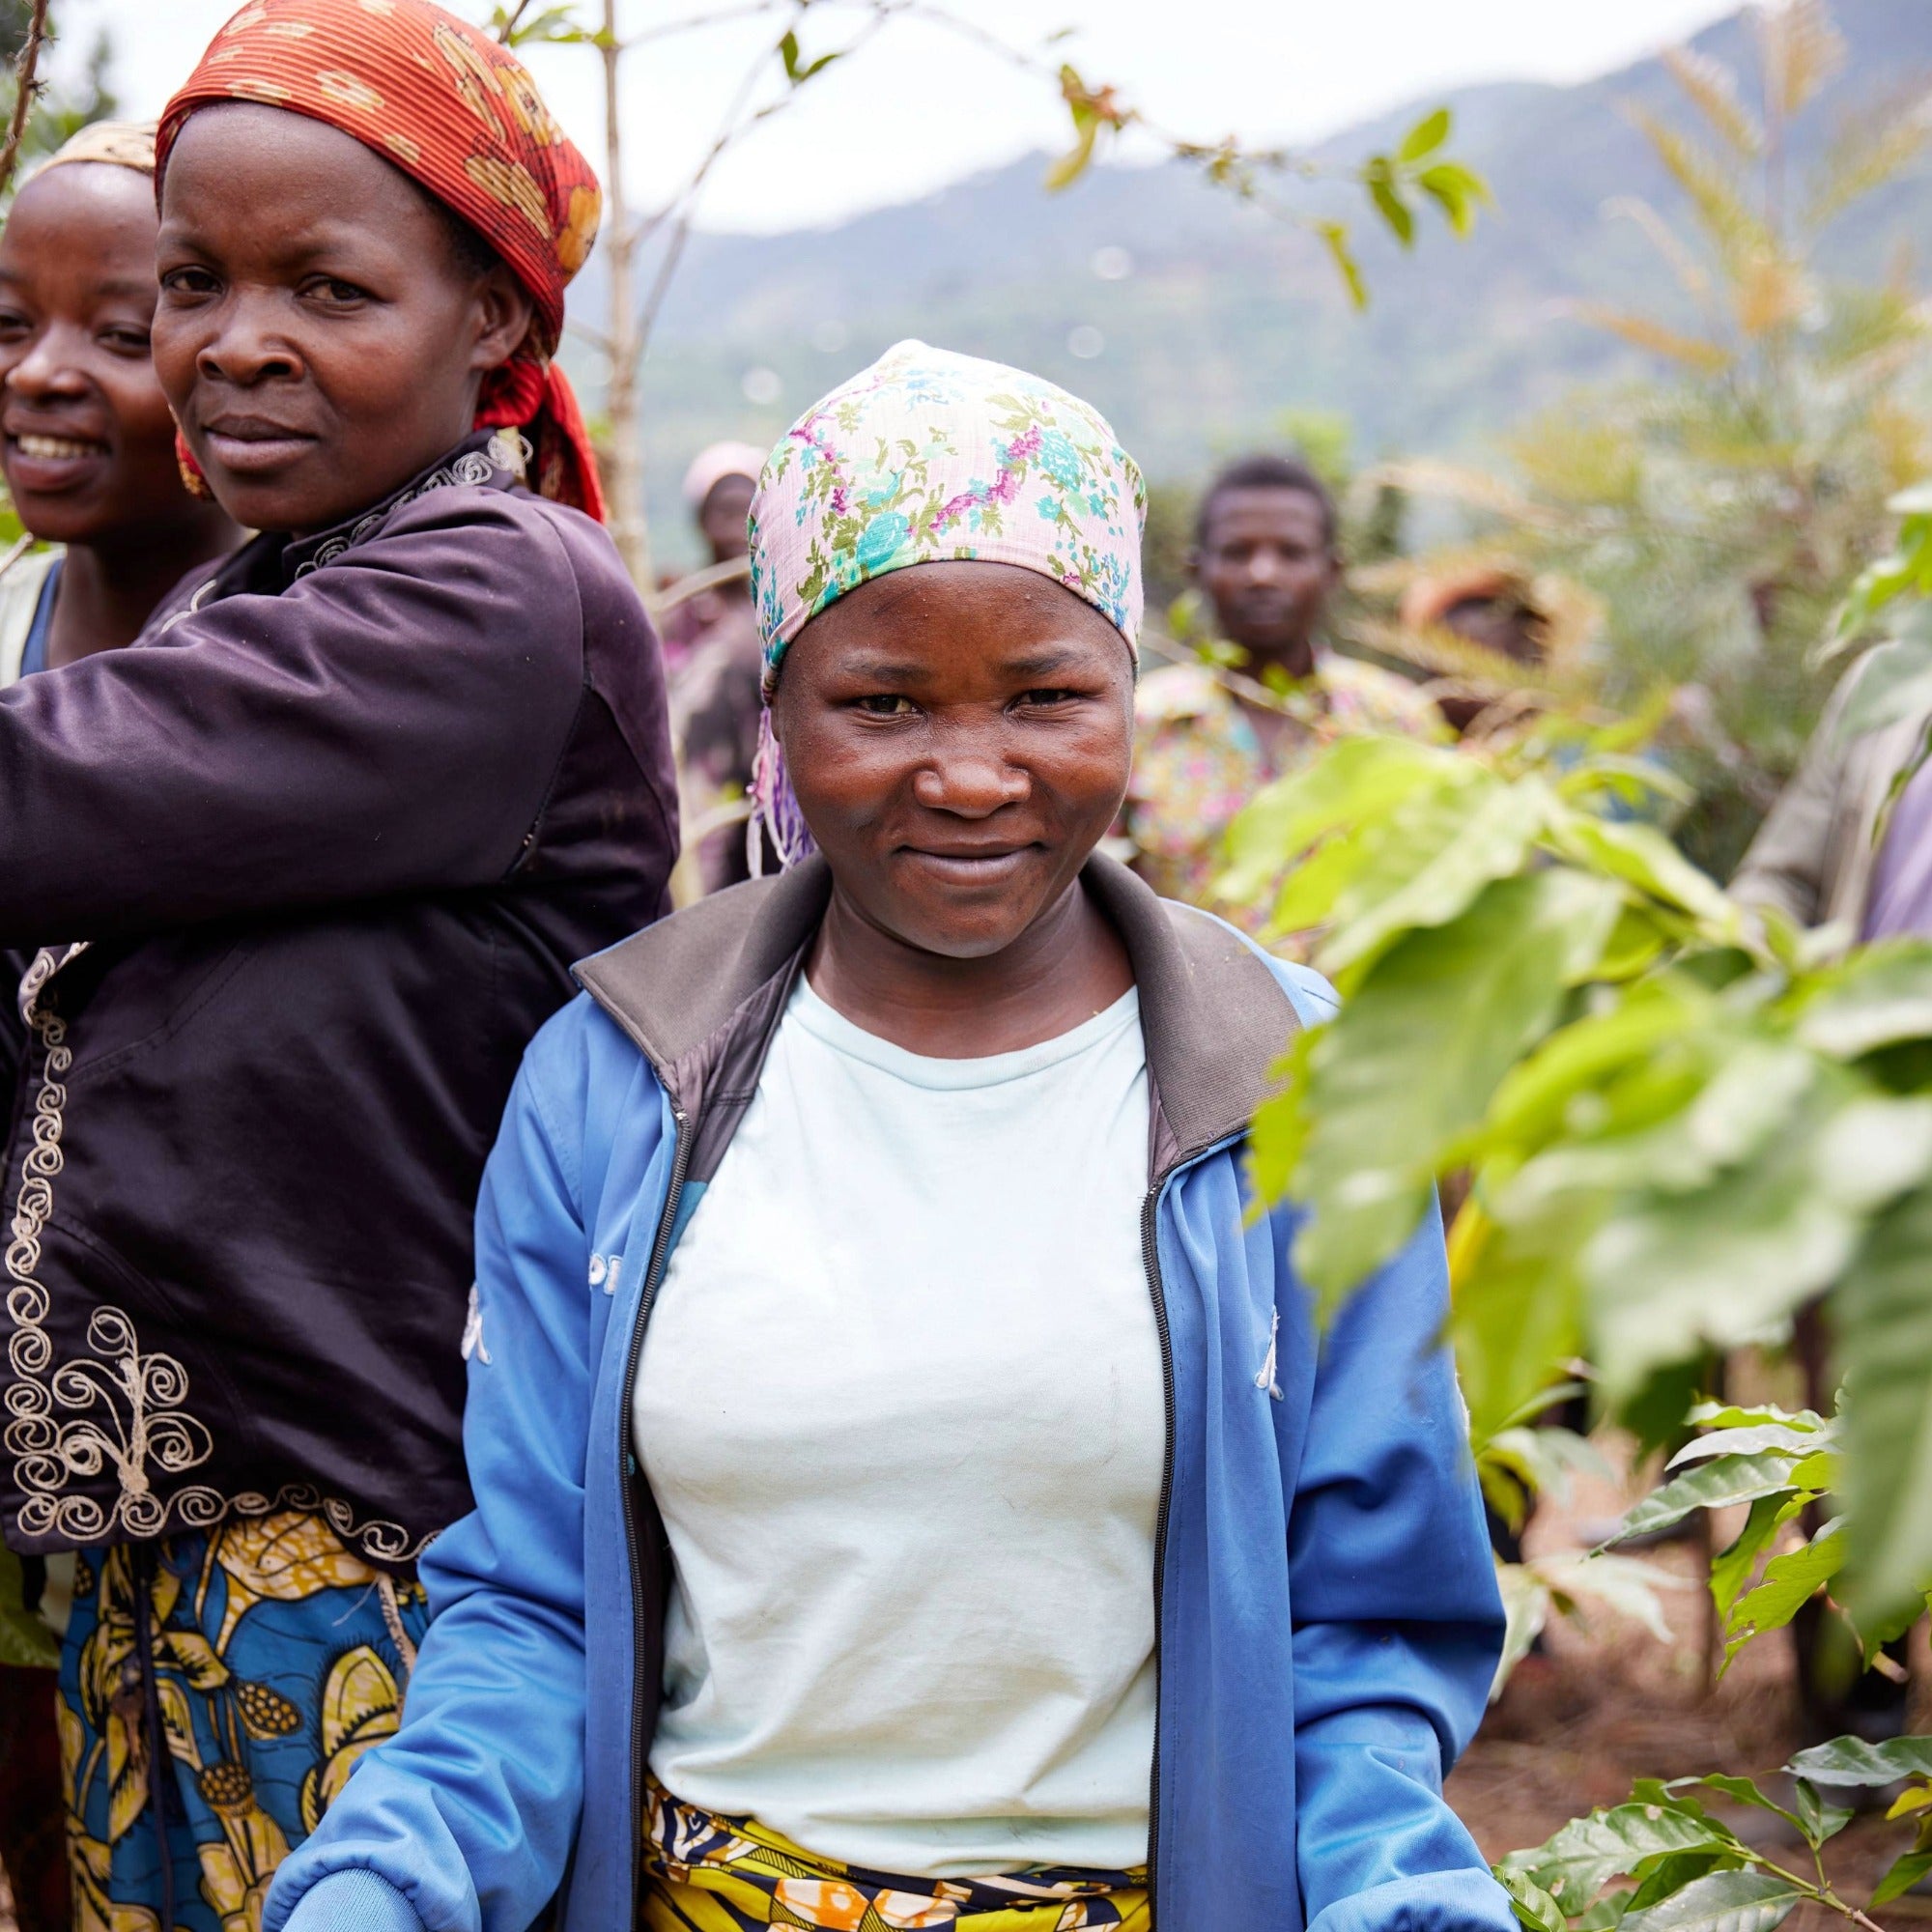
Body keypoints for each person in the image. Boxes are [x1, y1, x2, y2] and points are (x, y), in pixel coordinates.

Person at [267, 342, 1510, 1932]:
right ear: (776, 701)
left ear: (1133, 690)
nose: (974, 775)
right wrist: (392, 1880)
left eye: (1048, 696)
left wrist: (1406, 1902)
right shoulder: (617, 1082)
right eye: (886, 701)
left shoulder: (1287, 1085)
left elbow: (1365, 1647)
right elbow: (529, 1606)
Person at [0, 5, 678, 1924]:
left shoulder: (498, 601)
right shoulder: (266, 586)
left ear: (493, 325)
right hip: (184, 1518)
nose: (235, 342)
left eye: (327, 285)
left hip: (378, 1540)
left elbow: (47, 797)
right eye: (194, 283)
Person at [0, 119, 242, 1932]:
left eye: (117, 319)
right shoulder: (8, 628)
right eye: (12, 323)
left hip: (232, 1442)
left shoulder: (316, 654)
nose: (46, 375)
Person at [1122, 452, 1438, 920]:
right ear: (1197, 570)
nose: (1262, 574)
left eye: (1290, 553)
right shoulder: (1138, 725)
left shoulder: (1398, 720)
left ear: (1331, 571)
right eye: (1237, 552)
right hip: (1189, 993)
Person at [668, 440, 772, 894]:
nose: (732, 524)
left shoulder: (782, 613)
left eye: (743, 509)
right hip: (696, 806)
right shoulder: (678, 611)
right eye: (720, 510)